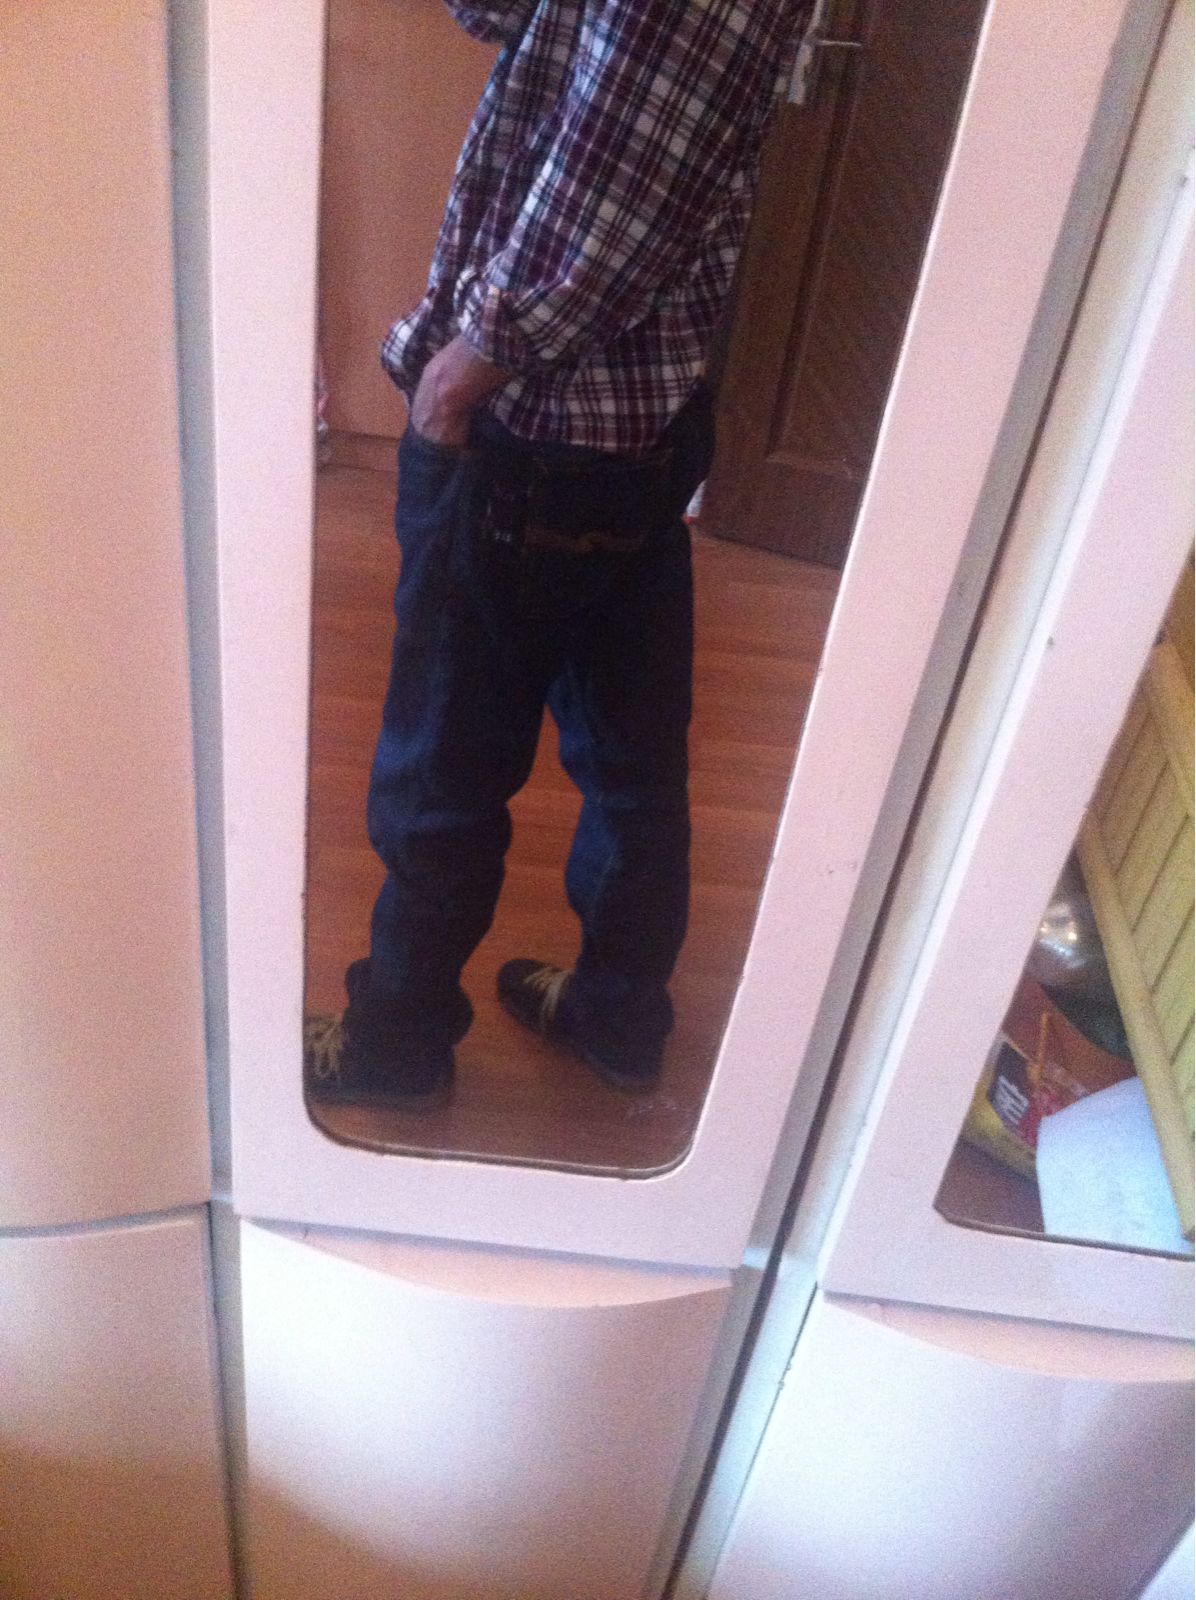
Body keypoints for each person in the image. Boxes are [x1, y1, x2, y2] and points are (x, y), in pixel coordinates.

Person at [305, 0, 812, 1109]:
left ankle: (395, 1044)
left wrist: (459, 374)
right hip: (633, 428)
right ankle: (617, 1016)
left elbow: (608, 200)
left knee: (442, 767)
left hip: (531, 430)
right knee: (632, 759)